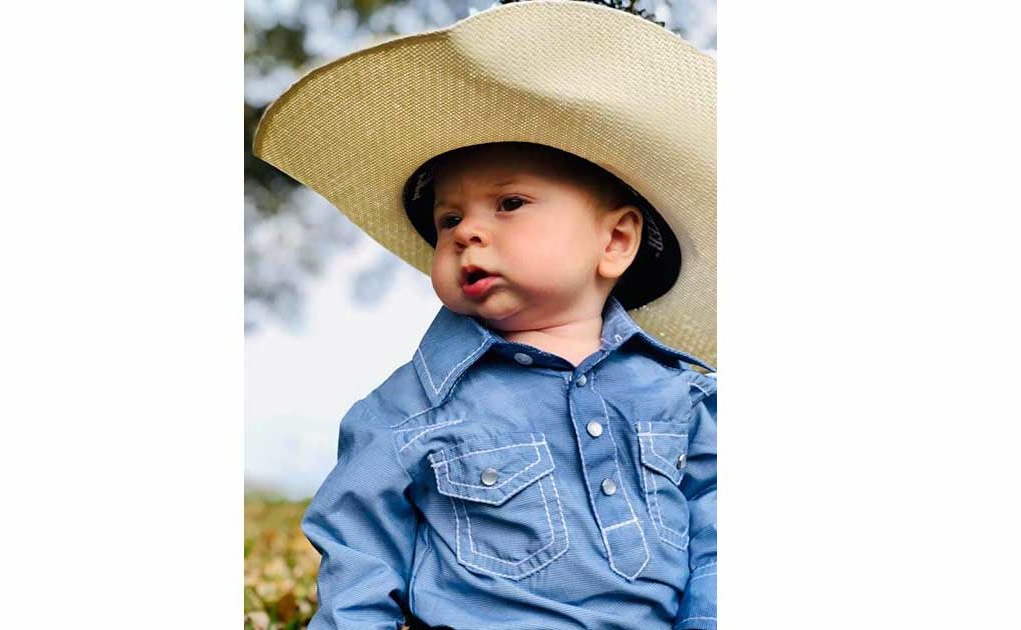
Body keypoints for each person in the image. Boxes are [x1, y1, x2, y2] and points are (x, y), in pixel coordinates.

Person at [253, 2, 716, 628]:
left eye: (510, 202)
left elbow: (718, 537)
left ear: (615, 243)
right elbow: (358, 557)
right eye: (449, 219)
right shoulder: (409, 409)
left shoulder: (684, 395)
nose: (468, 230)